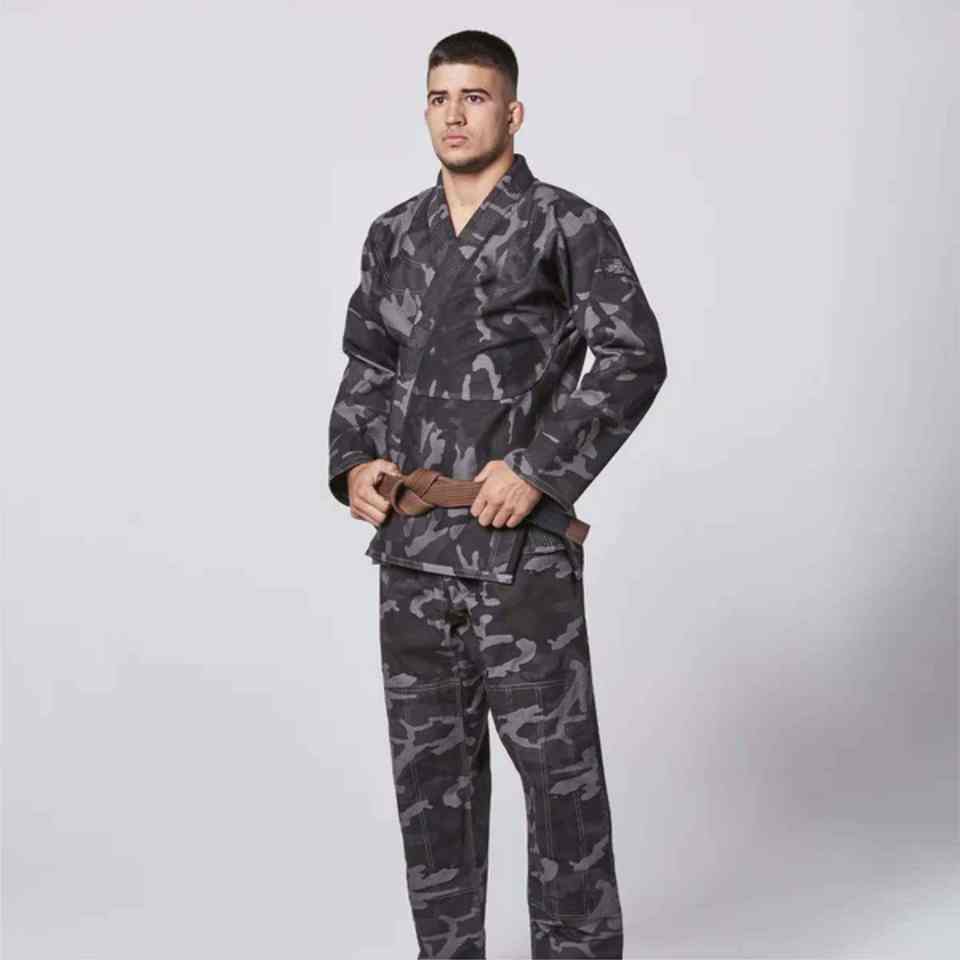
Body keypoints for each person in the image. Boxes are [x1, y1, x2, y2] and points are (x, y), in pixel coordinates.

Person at [327, 28, 667, 960]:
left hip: (517, 552)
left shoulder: (566, 224)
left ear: (512, 112)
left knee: (561, 784)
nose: (454, 114)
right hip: (411, 551)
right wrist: (354, 463)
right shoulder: (395, 234)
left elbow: (633, 355)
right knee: (430, 784)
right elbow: (367, 364)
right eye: (440, 98)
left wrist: (542, 468)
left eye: (474, 97)